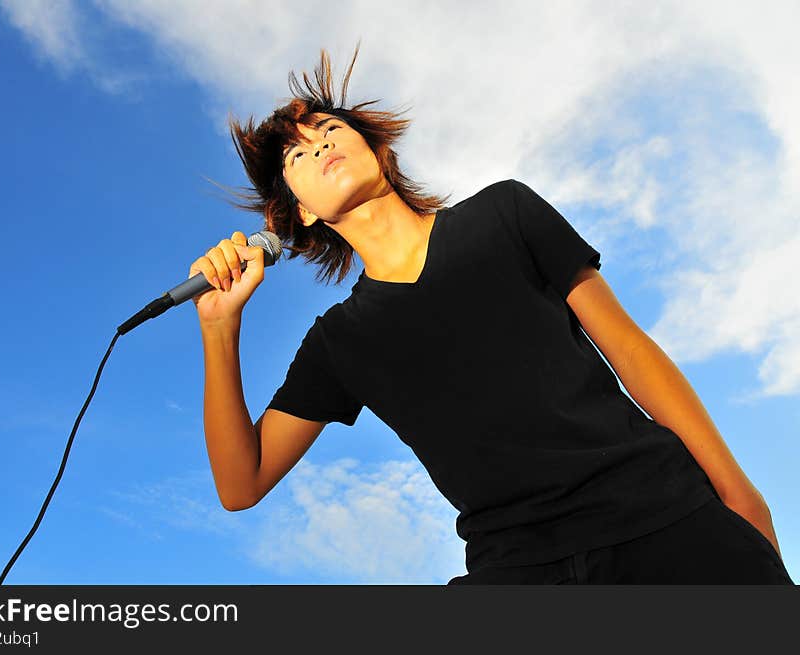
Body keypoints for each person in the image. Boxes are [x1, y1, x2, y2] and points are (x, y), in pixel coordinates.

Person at [187, 43, 793, 584]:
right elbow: (243, 485)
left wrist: (740, 495)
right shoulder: (340, 341)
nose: (317, 143)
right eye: (295, 154)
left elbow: (630, 349)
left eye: (327, 128)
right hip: (516, 567)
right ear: (300, 214)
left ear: (375, 149)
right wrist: (220, 329)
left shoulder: (505, 213)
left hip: (667, 521)